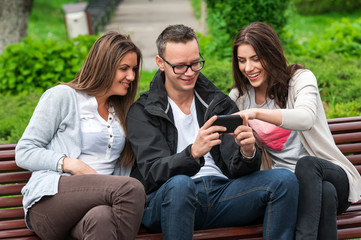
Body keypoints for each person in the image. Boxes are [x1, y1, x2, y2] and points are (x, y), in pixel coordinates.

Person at [126, 24, 298, 240]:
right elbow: (152, 173)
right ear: (160, 63)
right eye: (180, 66)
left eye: (195, 63)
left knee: (284, 180)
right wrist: (193, 153)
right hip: (169, 200)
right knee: (181, 185)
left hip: (222, 195)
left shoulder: (218, 102)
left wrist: (247, 152)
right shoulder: (144, 111)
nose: (190, 73)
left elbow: (239, 171)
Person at [230, 22, 361, 240]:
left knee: (308, 165)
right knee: (324, 193)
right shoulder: (240, 97)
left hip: (331, 173)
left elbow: (306, 118)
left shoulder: (300, 79)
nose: (248, 68)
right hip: (293, 188)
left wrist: (257, 114)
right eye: (242, 61)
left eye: (255, 58)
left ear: (271, 54)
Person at [15, 32, 146, 240]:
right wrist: (71, 164)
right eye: (124, 69)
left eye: (134, 69)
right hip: (52, 203)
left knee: (102, 218)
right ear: (104, 65)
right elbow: (24, 151)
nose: (131, 76)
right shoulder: (63, 97)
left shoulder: (122, 111)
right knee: (131, 189)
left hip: (98, 206)